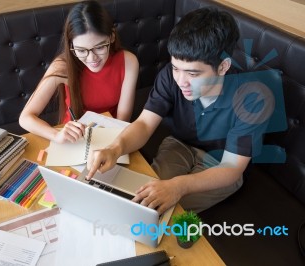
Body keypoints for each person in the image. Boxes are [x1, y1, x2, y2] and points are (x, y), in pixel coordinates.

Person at [86, 7, 273, 214]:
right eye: (176, 68)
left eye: (193, 73)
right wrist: (115, 148)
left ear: (223, 66)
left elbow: (232, 167)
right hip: (179, 145)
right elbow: (145, 123)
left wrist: (179, 186)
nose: (181, 81)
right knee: (137, 198)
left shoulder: (252, 98)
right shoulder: (169, 75)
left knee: (160, 210)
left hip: (221, 164)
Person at [19, 0, 139, 144]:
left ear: (112, 37)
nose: (91, 58)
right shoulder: (62, 66)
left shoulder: (129, 62)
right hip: (72, 139)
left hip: (111, 136)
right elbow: (25, 118)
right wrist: (56, 135)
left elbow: (122, 119)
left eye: (99, 47)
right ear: (71, 45)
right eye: (81, 50)